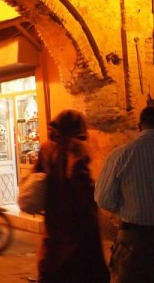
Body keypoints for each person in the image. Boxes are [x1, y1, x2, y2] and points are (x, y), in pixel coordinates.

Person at [95, 104, 154, 283]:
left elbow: (103, 198)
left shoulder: (120, 155)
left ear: (139, 126)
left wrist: (127, 207)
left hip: (133, 242)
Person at [33, 110, 109, 283]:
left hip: (53, 218)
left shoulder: (46, 147)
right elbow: (77, 175)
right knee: (80, 267)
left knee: (53, 261)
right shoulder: (74, 147)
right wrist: (91, 198)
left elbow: (37, 176)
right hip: (76, 222)